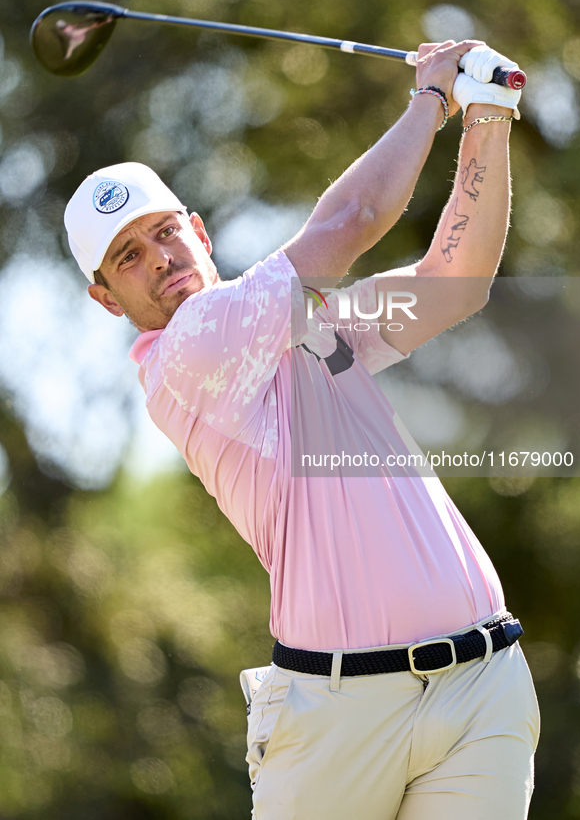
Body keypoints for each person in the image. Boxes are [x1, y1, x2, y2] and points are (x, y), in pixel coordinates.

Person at [64, 40, 540, 820]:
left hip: (480, 682)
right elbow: (352, 219)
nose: (159, 258)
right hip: (338, 714)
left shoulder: (310, 324)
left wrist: (488, 114)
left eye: (165, 233)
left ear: (199, 231)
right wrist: (432, 99)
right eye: (127, 256)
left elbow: (453, 284)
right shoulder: (185, 354)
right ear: (107, 299)